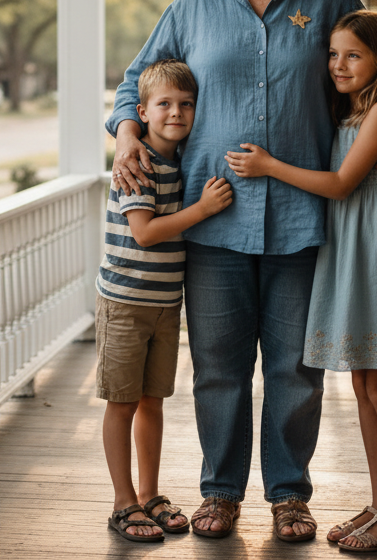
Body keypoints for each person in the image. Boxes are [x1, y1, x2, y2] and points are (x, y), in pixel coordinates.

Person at [107, 0, 377, 542]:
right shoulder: (194, 4)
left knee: (295, 370)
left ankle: (289, 495)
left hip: (302, 221)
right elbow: (133, 86)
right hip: (214, 219)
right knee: (220, 369)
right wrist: (128, 134)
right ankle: (221, 493)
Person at [225, 10, 377, 552]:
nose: (339, 65)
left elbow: (341, 184)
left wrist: (269, 166)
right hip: (352, 247)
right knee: (364, 384)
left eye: (353, 55)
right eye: (334, 54)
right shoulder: (352, 107)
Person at [97, 59, 234, 543]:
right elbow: (146, 232)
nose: (176, 112)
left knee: (152, 401)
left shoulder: (181, 162)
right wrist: (203, 209)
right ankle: (122, 501)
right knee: (122, 403)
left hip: (164, 304)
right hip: (126, 303)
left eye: (186, 104)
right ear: (142, 111)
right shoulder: (136, 164)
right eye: (164, 104)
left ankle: (150, 495)